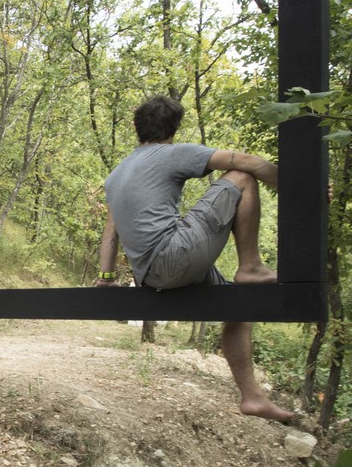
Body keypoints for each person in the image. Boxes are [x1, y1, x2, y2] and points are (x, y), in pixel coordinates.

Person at [96, 94, 292, 422]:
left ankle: (253, 397)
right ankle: (251, 266)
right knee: (241, 178)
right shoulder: (174, 153)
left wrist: (105, 280)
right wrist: (304, 188)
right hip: (175, 257)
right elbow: (251, 164)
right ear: (173, 129)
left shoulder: (116, 175)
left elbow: (110, 233)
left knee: (238, 307)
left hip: (151, 276)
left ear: (137, 130)